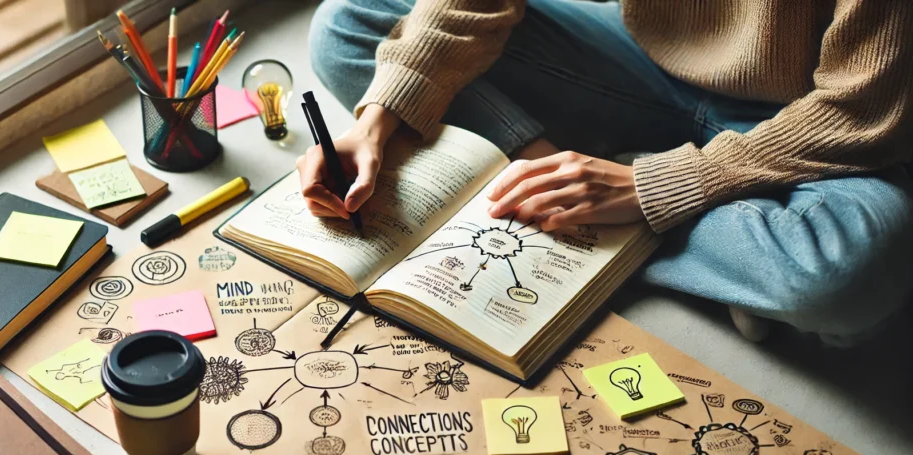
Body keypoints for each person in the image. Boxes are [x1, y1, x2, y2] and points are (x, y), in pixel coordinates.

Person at [299, 0, 913, 345]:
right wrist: (379, 119)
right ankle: (572, 184)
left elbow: (863, 109)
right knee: (348, 22)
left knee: (843, 274)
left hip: (816, 113)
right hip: (644, 61)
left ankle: (597, 193)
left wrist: (652, 186)